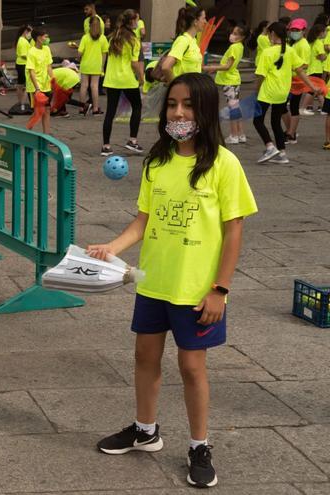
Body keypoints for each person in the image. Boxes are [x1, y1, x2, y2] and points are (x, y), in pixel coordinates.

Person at [90, 72, 258, 490]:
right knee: (144, 357)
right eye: (172, 105)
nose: (178, 113)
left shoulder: (224, 164)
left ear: (203, 111)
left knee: (191, 366)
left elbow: (234, 230)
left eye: (187, 105)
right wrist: (112, 248)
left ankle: (200, 445)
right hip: (153, 282)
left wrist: (220, 289)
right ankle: (145, 430)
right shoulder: (157, 162)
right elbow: (143, 221)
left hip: (197, 289)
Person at [253, 22, 318, 163]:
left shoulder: (267, 52)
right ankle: (282, 154)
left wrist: (256, 92)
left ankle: (270, 147)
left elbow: (261, 76)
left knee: (257, 120)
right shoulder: (290, 50)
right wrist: (312, 87)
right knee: (275, 122)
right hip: (282, 92)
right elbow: (301, 71)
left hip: (268, 92)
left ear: (272, 34)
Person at [102, 9, 145, 156]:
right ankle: (132, 141)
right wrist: (141, 78)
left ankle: (106, 146)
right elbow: (134, 63)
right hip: (127, 79)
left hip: (111, 79)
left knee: (110, 112)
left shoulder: (113, 36)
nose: (138, 23)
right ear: (132, 21)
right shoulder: (134, 40)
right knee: (137, 106)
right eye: (137, 20)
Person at [205, 25, 249, 144]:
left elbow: (227, 66)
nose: (232, 35)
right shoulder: (238, 46)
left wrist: (211, 67)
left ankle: (234, 135)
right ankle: (240, 134)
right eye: (232, 32)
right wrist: (215, 69)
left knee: (233, 108)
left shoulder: (234, 47)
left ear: (242, 37)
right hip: (232, 80)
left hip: (230, 81)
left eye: (236, 34)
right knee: (235, 107)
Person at [284, 18, 312, 142]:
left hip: (297, 80)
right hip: (290, 78)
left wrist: (293, 67)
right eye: (293, 30)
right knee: (283, 106)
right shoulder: (294, 43)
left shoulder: (304, 45)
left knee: (292, 106)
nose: (294, 32)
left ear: (304, 31)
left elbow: (305, 64)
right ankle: (291, 130)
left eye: (297, 30)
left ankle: (291, 133)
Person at [161, 7, 206, 82]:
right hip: (182, 91)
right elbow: (166, 67)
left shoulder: (193, 40)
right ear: (195, 22)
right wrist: (175, 87)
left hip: (192, 89)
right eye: (203, 18)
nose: (205, 22)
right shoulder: (183, 40)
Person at [26, 26, 54, 132]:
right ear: (38, 38)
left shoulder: (47, 49)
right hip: (35, 86)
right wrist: (37, 88)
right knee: (38, 112)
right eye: (45, 36)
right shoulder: (31, 52)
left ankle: (47, 135)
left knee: (47, 110)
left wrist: (54, 81)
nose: (47, 38)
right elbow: (31, 71)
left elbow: (49, 67)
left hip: (46, 85)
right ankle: (28, 132)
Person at [78, 15, 109, 116]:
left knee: (84, 86)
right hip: (97, 65)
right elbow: (104, 54)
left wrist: (79, 58)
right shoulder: (103, 38)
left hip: (85, 65)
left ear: (89, 25)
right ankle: (95, 109)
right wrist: (102, 67)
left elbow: (80, 53)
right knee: (94, 87)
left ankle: (82, 108)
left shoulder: (85, 37)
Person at [301, 22, 326, 115]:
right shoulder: (318, 42)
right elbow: (323, 56)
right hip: (316, 69)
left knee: (318, 90)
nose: (325, 34)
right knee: (312, 90)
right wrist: (324, 57)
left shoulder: (310, 42)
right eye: (324, 32)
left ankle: (324, 108)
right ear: (320, 33)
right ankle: (302, 108)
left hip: (311, 69)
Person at [14, 24, 35, 112]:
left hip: (21, 64)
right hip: (23, 65)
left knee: (20, 85)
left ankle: (21, 103)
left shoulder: (23, 40)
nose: (30, 34)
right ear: (25, 31)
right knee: (28, 85)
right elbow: (23, 55)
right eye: (30, 32)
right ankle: (22, 103)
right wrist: (33, 58)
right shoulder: (22, 41)